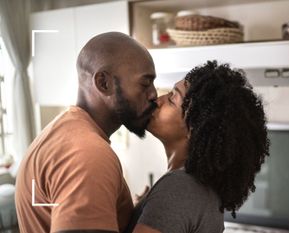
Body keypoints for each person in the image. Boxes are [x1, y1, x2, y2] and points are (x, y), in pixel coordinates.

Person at [15, 32, 158, 233]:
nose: (154, 94)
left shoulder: (67, 133)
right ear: (103, 83)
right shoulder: (87, 154)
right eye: (145, 83)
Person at [127, 61, 270, 233]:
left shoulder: (178, 188)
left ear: (195, 127)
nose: (157, 100)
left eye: (172, 98)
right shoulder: (199, 190)